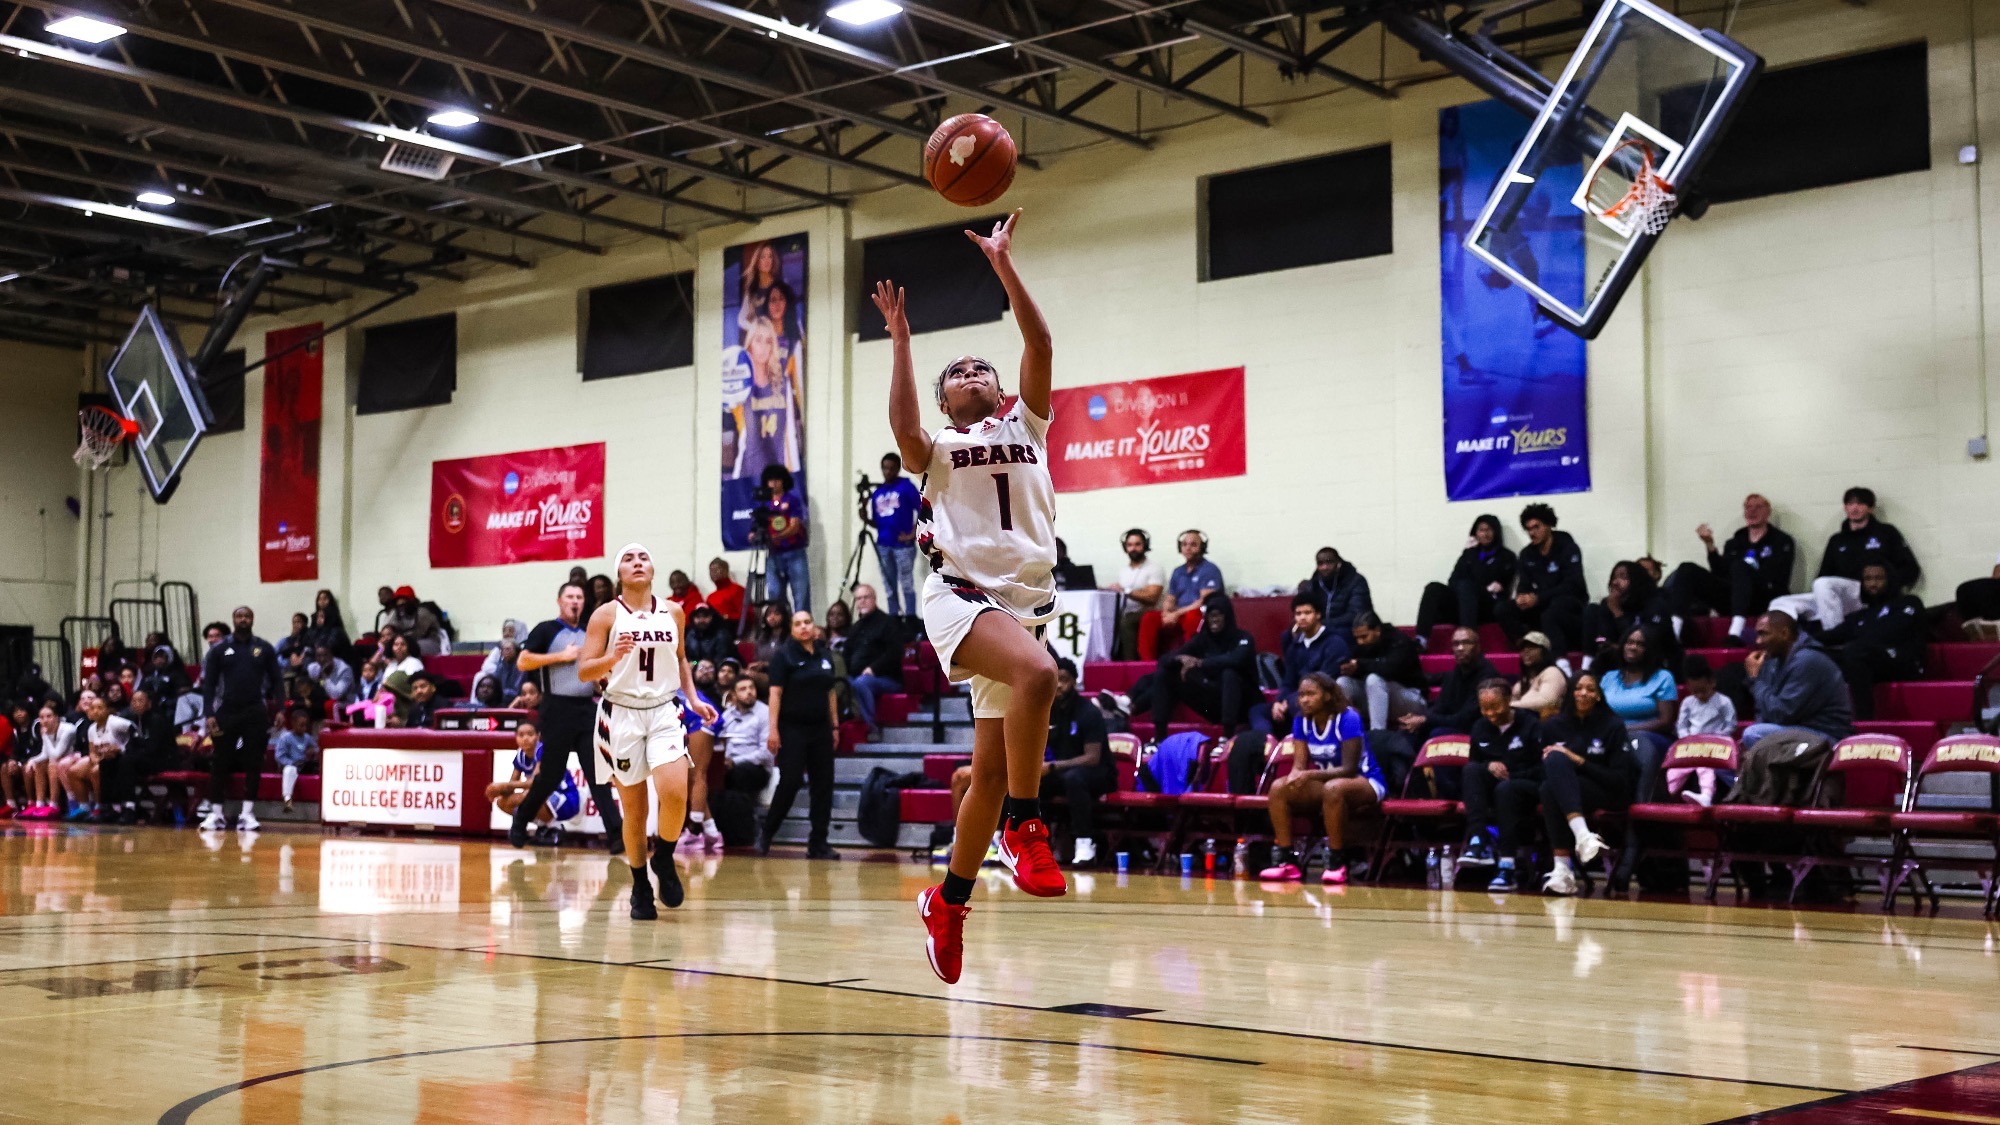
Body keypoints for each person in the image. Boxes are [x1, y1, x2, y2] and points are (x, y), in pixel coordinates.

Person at [873, 211, 1068, 986]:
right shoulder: (938, 450)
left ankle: (948, 901)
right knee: (1041, 676)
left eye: (980, 368)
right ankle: (1027, 825)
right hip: (959, 596)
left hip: (1023, 602)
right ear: (946, 399)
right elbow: (903, 423)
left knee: (986, 773)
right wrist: (901, 338)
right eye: (958, 374)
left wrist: (1003, 264)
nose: (973, 374)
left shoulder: (1027, 422)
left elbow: (1041, 345)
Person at [576, 544, 717, 919]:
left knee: (674, 793)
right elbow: (585, 671)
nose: (637, 562)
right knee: (635, 810)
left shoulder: (674, 611)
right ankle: (639, 884)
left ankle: (665, 859)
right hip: (620, 715)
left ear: (652, 569)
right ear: (619, 573)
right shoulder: (605, 615)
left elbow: (682, 658)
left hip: (663, 711)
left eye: (643, 558)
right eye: (628, 559)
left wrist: (693, 699)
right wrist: (612, 658)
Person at [509, 580, 626, 854]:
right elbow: (523, 661)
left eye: (579, 597)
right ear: (560, 601)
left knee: (597, 773)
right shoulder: (545, 630)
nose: (575, 601)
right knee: (550, 775)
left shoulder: (591, 632)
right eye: (570, 596)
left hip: (586, 708)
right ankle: (521, 820)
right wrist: (561, 656)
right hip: (556, 708)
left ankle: (617, 835)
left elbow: (596, 673)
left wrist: (603, 682)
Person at [1254, 673, 1383, 885]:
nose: (1304, 699)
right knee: (1279, 787)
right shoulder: (1301, 721)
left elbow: (1350, 769)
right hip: (1329, 783)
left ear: (1327, 696)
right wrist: (1295, 777)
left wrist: (1309, 775)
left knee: (1333, 788)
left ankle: (1336, 862)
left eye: (1311, 694)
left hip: (1366, 780)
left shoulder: (1348, 718)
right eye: (1302, 694)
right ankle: (1287, 861)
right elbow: (1299, 765)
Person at [1769, 487, 1922, 630]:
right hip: (1840, 598)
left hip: (1870, 594)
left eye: (1860, 504)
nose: (1854, 508)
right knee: (1780, 603)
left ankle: (1836, 639)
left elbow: (1911, 569)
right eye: (1850, 503)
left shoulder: (1886, 533)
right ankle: (1792, 644)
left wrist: (1886, 587)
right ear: (1845, 508)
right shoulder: (1837, 540)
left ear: (1871, 508)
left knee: (1823, 584)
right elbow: (1824, 575)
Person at [1537, 671, 1634, 896]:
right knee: (1549, 785)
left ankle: (1563, 868)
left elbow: (1619, 780)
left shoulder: (1613, 725)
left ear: (1599, 696)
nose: (1584, 693)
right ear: (1570, 693)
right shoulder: (1553, 725)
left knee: (1554, 779)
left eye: (1591, 689)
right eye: (1579, 688)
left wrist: (1577, 760)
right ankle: (1581, 838)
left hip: (1606, 791)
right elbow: (1545, 771)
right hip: (1569, 792)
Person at [760, 609, 841, 859]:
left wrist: (835, 726)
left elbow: (830, 693)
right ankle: (766, 833)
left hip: (820, 729)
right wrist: (773, 729)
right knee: (790, 781)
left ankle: (818, 843)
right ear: (792, 629)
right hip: (792, 727)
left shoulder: (824, 655)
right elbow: (775, 694)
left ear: (814, 626)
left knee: (823, 785)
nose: (804, 627)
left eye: (807, 622)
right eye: (798, 624)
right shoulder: (783, 656)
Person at [1663, 494, 1796, 646]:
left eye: (1758, 507)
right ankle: (1674, 633)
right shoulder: (1735, 542)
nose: (1752, 511)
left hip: (1763, 599)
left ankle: (1735, 633)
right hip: (1734, 599)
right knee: (1687, 568)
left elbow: (1779, 577)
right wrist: (1710, 545)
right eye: (1748, 507)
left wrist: (1747, 572)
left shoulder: (1781, 541)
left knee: (1740, 566)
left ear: (1768, 512)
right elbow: (1719, 574)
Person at [199, 606, 282, 831]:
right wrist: (209, 713)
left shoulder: (264, 648)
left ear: (252, 619)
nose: (243, 619)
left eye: (246, 616)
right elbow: (209, 684)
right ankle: (216, 814)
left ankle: (247, 814)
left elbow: (277, 680)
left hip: (255, 711)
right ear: (233, 620)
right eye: (239, 616)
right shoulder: (219, 649)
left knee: (253, 761)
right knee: (220, 761)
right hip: (226, 712)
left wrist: (281, 708)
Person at [1459, 681, 1545, 891]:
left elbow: (1543, 768)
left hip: (1529, 786)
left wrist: (1511, 775)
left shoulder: (1531, 725)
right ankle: (1479, 840)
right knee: (1470, 770)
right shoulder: (1480, 727)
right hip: (1494, 788)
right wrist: (1488, 765)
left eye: (1495, 707)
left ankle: (1507, 865)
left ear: (1509, 701)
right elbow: (1475, 762)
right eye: (1484, 708)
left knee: (1505, 789)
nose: (1490, 714)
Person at [1822, 560, 1927, 720]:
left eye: (1878, 578)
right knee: (1816, 655)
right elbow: (1833, 635)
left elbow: (1892, 632)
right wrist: (1798, 639)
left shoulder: (1909, 602)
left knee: (1855, 650)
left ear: (1889, 579)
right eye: (1868, 579)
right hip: (1868, 664)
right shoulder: (1861, 615)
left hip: (1902, 663)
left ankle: (1865, 720)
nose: (1873, 584)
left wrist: (1859, 636)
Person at [1150, 593, 1257, 737]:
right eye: (1211, 616)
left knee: (1229, 674)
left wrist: (1200, 663)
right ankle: (1159, 736)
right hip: (1212, 702)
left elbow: (1235, 659)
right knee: (1165, 673)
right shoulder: (1202, 639)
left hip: (1242, 703)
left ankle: (1226, 736)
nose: (1214, 620)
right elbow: (1165, 660)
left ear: (1227, 617)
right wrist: (1180, 659)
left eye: (1218, 616)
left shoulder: (1243, 638)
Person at [1742, 611, 1855, 745]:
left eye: (1763, 634)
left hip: (1827, 736)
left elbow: (1781, 714)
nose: (1758, 641)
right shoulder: (1774, 660)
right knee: (1751, 736)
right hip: (1797, 730)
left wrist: (1755, 680)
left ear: (1784, 633)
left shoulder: (1807, 660)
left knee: (1754, 734)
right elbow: (1764, 710)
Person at [1495, 503, 1587, 659]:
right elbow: (1523, 583)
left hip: (1569, 602)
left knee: (1554, 608)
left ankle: (1560, 659)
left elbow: (1572, 584)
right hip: (1541, 602)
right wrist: (1522, 597)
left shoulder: (1568, 547)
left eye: (1536, 527)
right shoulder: (1526, 554)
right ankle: (1530, 644)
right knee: (1502, 608)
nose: (1532, 532)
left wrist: (1538, 598)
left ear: (1548, 525)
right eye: (1528, 529)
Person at [1597, 624, 1679, 799]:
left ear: (1649, 649)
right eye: (1629, 642)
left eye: (1640, 644)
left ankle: (1642, 805)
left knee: (1637, 741)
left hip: (1653, 738)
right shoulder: (1609, 678)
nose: (1632, 647)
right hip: (1615, 736)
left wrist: (1627, 730)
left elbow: (1665, 722)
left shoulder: (1663, 677)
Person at [1252, 593, 1350, 737]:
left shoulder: (1334, 642)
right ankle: (1266, 746)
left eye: (1307, 613)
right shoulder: (1295, 645)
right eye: (1298, 613)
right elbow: (1288, 681)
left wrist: (1290, 700)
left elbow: (1325, 682)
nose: (1302, 617)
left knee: (1300, 703)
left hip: (1322, 700)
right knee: (1257, 710)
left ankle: (1298, 745)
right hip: (1296, 699)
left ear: (1318, 615)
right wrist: (1279, 702)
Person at [1414, 514, 1516, 644]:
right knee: (1433, 587)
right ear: (1475, 533)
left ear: (1496, 532)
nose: (1485, 534)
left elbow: (1496, 583)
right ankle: (1421, 639)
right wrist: (1471, 555)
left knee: (1466, 585)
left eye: (1489, 530)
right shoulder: (1469, 554)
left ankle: (1468, 638)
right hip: (1463, 605)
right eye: (1481, 530)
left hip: (1487, 608)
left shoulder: (1507, 556)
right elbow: (1452, 581)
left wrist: (1473, 577)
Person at [485, 718, 580, 840]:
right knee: (502, 802)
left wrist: (504, 785)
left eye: (530, 734)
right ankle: (542, 826)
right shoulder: (520, 755)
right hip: (547, 798)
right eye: (521, 735)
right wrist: (497, 790)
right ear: (516, 738)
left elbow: (536, 782)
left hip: (567, 798)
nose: (525, 738)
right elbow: (511, 786)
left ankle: (556, 826)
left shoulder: (544, 750)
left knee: (529, 795)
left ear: (538, 736)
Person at [1399, 627, 1500, 739]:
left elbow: (1465, 719)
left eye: (1466, 643)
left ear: (1478, 646)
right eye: (1456, 644)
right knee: (1408, 731)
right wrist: (1419, 718)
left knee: (1436, 733)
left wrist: (1425, 719)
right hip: (1455, 724)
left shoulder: (1488, 676)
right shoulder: (1453, 675)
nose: (1460, 648)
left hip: (1477, 731)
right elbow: (1441, 707)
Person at [1336, 612, 1426, 732]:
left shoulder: (1399, 641)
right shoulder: (1362, 645)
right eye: (1357, 638)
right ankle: (1347, 732)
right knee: (1343, 682)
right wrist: (1350, 669)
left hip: (1412, 698)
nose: (1360, 642)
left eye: (1364, 637)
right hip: (1379, 700)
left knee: (1374, 679)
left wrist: (1361, 665)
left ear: (1377, 630)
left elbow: (1390, 669)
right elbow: (1361, 669)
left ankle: (1378, 735)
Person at [1669, 654, 1736, 807]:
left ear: (1712, 682)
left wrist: (1717, 737)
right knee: (1676, 770)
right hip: (1691, 744)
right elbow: (1681, 725)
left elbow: (1731, 724)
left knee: (1703, 764)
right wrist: (1686, 737)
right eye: (1695, 692)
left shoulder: (1724, 701)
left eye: (1703, 691)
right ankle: (1668, 793)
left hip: (1715, 745)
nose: (1699, 695)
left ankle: (1706, 794)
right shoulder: (1687, 702)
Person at [1579, 560, 1671, 669]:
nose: (1615, 582)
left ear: (1636, 581)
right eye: (1613, 578)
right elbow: (1604, 640)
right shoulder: (1610, 604)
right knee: (1592, 608)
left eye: (1623, 577)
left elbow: (1646, 643)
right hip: (1618, 658)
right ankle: (1586, 667)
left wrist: (1618, 613)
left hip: (1652, 661)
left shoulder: (1654, 605)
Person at [843, 584, 907, 734]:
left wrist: (873, 669)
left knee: (861, 683)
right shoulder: (855, 628)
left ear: (874, 599)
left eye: (866, 597)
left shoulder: (888, 623)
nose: (862, 601)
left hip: (886, 678)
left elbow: (895, 652)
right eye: (858, 598)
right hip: (857, 675)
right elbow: (847, 653)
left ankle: (869, 725)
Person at [870, 451, 923, 618]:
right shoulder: (878, 493)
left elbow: (924, 510)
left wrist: (913, 534)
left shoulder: (906, 487)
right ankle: (893, 617)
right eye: (885, 468)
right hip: (883, 544)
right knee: (889, 585)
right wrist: (863, 518)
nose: (888, 472)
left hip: (903, 546)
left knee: (906, 584)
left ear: (898, 469)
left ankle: (910, 617)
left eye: (891, 468)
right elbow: (877, 522)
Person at [758, 465, 812, 614]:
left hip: (794, 553)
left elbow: (795, 526)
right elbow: (758, 526)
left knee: (801, 595)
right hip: (773, 554)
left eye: (777, 480)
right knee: (774, 595)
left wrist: (777, 536)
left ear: (783, 481)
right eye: (770, 480)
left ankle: (802, 628)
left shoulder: (792, 500)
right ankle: (781, 630)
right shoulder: (764, 504)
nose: (773, 483)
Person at [1105, 529, 1165, 660]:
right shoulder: (1124, 571)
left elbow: (1152, 597)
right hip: (1126, 612)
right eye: (1130, 545)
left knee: (1127, 621)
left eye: (1137, 544)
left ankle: (1130, 663)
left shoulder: (1154, 568)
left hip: (1149, 612)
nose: (1133, 548)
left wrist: (1126, 591)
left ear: (1145, 545)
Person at [1296, 547, 1373, 641]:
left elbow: (1356, 614)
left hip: (1349, 628)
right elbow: (1304, 609)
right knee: (1290, 635)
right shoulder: (1314, 583)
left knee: (1336, 636)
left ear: (1338, 563)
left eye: (1329, 562)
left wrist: (1322, 625)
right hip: (1321, 628)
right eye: (1320, 563)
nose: (1324, 567)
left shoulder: (1355, 581)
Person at [1158, 530, 1223, 634]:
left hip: (1198, 612)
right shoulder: (1178, 571)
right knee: (1149, 618)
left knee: (1192, 617)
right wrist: (1166, 613)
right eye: (1184, 544)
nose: (1188, 548)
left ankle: (1190, 650)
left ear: (1202, 547)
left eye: (1193, 544)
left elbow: (1204, 601)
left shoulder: (1210, 569)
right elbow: (1170, 598)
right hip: (1179, 613)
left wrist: (1177, 613)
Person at [716, 676, 773, 791]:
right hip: (728, 765)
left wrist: (735, 762)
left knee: (740, 775)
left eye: (751, 688)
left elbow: (766, 753)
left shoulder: (765, 713)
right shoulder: (727, 715)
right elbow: (719, 741)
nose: (749, 692)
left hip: (756, 767)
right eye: (743, 689)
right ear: (734, 695)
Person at [1510, 632, 1568, 717]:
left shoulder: (1552, 672)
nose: (1526, 650)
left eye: (1532, 647)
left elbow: (1546, 702)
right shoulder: (1523, 681)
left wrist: (1510, 705)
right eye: (1523, 648)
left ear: (1544, 651)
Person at [272, 707, 317, 812]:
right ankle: (287, 800)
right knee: (289, 770)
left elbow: (316, 748)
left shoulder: (307, 737)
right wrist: (292, 763)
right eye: (301, 725)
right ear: (293, 723)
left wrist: (313, 752)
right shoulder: (285, 737)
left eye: (306, 725)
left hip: (305, 766)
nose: (304, 728)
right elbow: (279, 756)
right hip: (290, 766)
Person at [385, 586, 449, 656]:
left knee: (409, 648)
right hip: (405, 641)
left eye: (403, 602)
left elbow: (418, 633)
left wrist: (399, 640)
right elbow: (388, 628)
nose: (400, 605)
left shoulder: (422, 613)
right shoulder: (396, 612)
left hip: (429, 641)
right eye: (398, 602)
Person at [706, 558, 748, 629]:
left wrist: (727, 617)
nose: (713, 573)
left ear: (726, 571)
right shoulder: (710, 597)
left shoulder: (738, 590)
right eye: (711, 570)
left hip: (730, 629)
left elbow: (746, 615)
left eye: (717, 569)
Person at [750, 601, 791, 667]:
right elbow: (757, 658)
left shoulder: (791, 638)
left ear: (784, 616)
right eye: (768, 614)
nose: (772, 617)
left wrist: (766, 664)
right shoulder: (762, 637)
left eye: (777, 614)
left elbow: (789, 661)